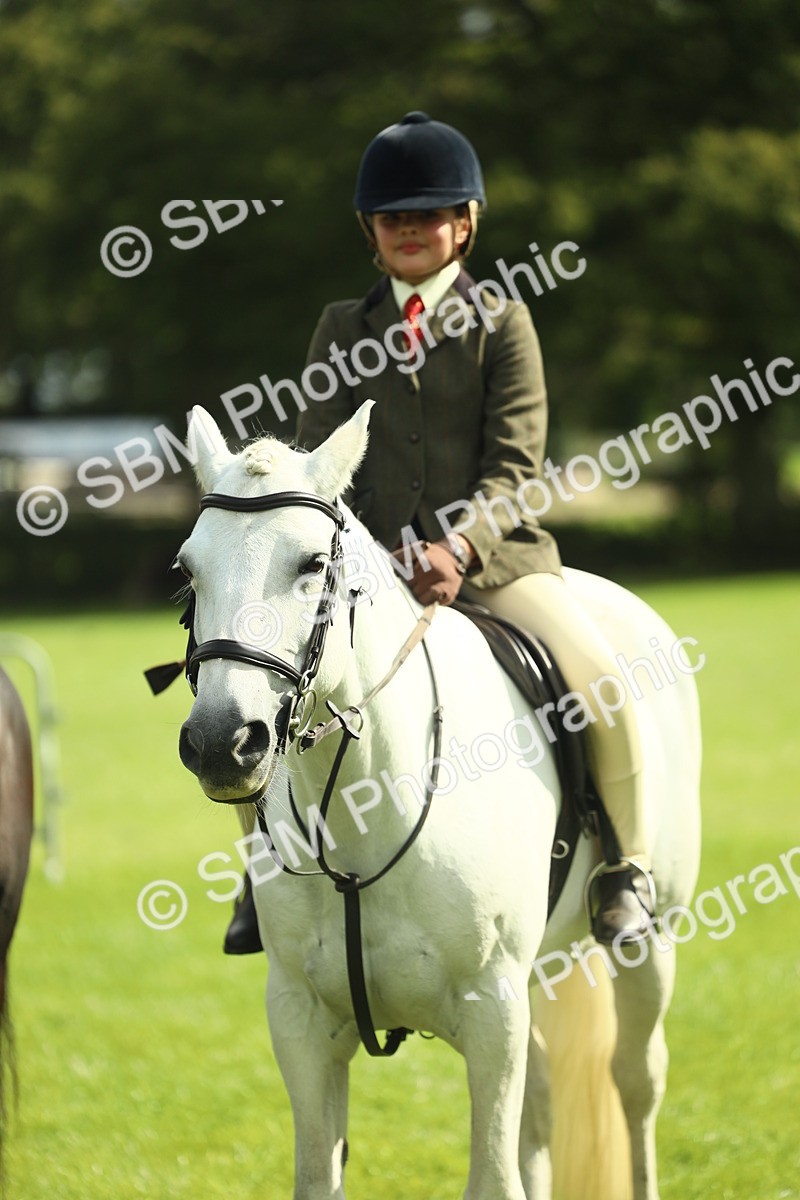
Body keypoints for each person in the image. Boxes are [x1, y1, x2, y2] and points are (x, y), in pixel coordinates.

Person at [224, 111, 656, 954]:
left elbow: (517, 466)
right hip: (366, 568)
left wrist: (457, 547)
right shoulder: (341, 328)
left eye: (429, 214)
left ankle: (625, 867)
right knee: (251, 676)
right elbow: (317, 464)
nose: (411, 229)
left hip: (495, 562)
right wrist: (373, 554)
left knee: (602, 675)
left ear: (464, 223)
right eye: (395, 217)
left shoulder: (503, 321)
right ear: (371, 232)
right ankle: (262, 867)